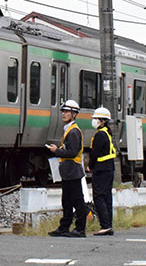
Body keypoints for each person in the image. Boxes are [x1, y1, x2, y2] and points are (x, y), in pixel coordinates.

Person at [46, 99, 89, 238]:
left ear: (74, 114)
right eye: (63, 111)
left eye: (67, 112)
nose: (64, 114)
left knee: (77, 200)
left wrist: (56, 151)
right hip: (68, 171)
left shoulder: (73, 132)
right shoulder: (69, 130)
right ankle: (64, 227)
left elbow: (72, 152)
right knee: (67, 201)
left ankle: (80, 229)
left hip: (73, 171)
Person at [88, 106, 116, 236]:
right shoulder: (107, 133)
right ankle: (108, 224)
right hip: (108, 168)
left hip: (101, 169)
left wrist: (90, 166)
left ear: (103, 121)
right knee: (106, 197)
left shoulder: (100, 134)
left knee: (98, 196)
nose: (94, 121)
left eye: (96, 119)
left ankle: (105, 225)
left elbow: (94, 153)